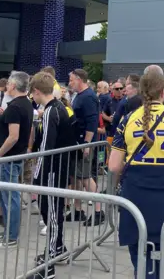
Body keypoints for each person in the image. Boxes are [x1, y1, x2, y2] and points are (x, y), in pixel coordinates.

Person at [108, 67, 164, 279]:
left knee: (138, 250)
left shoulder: (127, 120)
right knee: (162, 248)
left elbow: (114, 166)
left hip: (136, 190)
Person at [29, 71, 75, 278]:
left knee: (51, 211)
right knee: (52, 210)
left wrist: (38, 174)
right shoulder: (59, 107)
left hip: (52, 170)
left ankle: (52, 257)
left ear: (37, 91)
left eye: (33, 93)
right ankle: (58, 249)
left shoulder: (50, 112)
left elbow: (46, 149)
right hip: (58, 167)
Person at [0, 71, 33, 249]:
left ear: (13, 86)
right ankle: (9, 231)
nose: (6, 87)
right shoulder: (26, 104)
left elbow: (13, 136)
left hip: (9, 157)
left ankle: (11, 236)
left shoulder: (15, 106)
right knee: (9, 195)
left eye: (9, 84)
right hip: (15, 156)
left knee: (9, 196)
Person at [70, 69, 104, 226]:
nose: (70, 83)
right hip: (77, 141)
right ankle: (77, 210)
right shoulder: (80, 96)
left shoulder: (89, 97)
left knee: (85, 177)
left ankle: (98, 211)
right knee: (76, 176)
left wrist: (87, 144)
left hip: (84, 142)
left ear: (79, 79)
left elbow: (92, 122)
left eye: (71, 80)